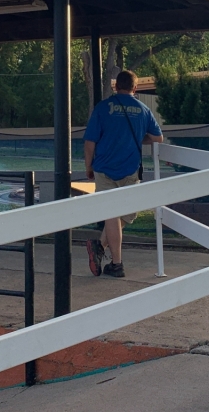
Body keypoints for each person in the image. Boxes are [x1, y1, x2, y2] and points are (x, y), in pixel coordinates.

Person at [83, 70, 163, 278]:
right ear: (135, 88)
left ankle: (100, 248)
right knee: (127, 214)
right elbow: (158, 137)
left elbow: (90, 141)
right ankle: (115, 262)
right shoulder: (143, 110)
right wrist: (138, 138)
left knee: (114, 214)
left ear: (115, 86)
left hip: (104, 169)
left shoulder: (102, 109)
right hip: (129, 169)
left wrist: (88, 166)